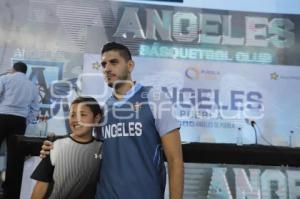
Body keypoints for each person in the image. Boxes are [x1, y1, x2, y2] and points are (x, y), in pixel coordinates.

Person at [41, 42, 184, 199]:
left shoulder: (154, 99)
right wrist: (53, 150)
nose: (107, 68)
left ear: (130, 65)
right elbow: (83, 146)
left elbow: (175, 159)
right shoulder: (102, 112)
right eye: (103, 64)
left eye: (114, 62)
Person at [31, 96, 103, 199]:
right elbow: (41, 185)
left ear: (96, 118)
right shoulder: (56, 145)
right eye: (72, 115)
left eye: (82, 115)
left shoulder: (102, 148)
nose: (76, 120)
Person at [0, 61, 39, 199]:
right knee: (15, 160)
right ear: (25, 72)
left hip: (2, 117)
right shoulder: (32, 86)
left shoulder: (5, 78)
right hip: (19, 121)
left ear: (13, 69)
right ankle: (12, 194)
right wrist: (25, 121)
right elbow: (35, 108)